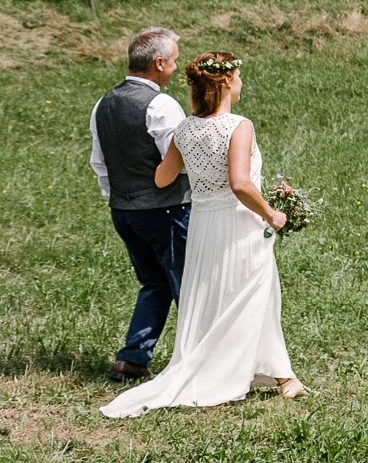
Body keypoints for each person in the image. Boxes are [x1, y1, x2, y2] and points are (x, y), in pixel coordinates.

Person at [103, 53, 303, 417]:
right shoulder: (239, 125)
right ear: (226, 82)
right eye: (238, 76)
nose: (241, 82)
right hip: (237, 222)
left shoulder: (185, 129)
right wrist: (271, 213)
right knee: (255, 295)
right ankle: (282, 377)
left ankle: (260, 370)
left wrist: (197, 165)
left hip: (203, 223)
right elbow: (240, 184)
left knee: (214, 297)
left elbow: (162, 177)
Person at [92, 28, 190, 383]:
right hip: (166, 211)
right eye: (174, 61)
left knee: (154, 283)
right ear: (159, 63)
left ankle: (132, 358)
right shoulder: (161, 105)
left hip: (123, 212)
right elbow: (179, 160)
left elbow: (100, 162)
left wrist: (119, 199)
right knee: (187, 286)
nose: (176, 68)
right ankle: (197, 362)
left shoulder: (103, 103)